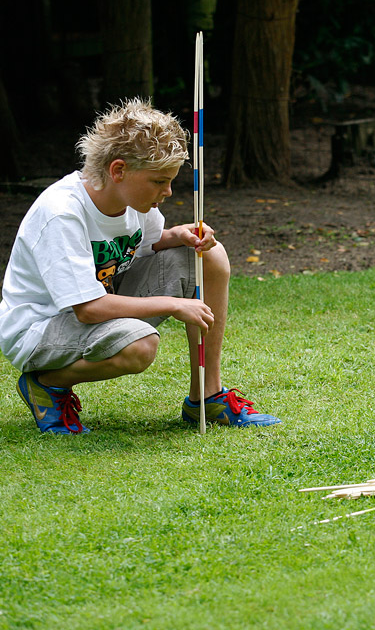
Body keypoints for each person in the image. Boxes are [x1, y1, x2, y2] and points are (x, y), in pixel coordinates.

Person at [0, 98, 281, 434]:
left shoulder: (134, 201)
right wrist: (174, 304)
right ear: (118, 170)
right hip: (40, 330)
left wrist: (176, 234)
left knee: (211, 257)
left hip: (97, 306)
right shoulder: (62, 213)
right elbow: (88, 309)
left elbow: (144, 244)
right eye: (159, 181)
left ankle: (207, 398)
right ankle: (46, 383)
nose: (169, 191)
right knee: (140, 344)